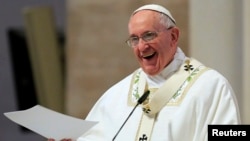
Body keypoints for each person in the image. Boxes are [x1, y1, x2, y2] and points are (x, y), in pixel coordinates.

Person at [48, 3, 241, 141]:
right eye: (134, 39)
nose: (142, 47)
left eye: (149, 35)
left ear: (173, 36)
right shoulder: (118, 94)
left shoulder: (211, 87)